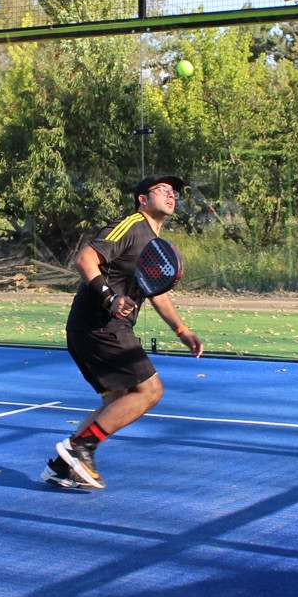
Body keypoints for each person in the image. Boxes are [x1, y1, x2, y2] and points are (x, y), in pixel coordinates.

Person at [44, 175, 204, 490]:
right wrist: (110, 297)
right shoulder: (131, 225)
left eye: (173, 191)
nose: (171, 195)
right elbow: (85, 258)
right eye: (162, 190)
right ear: (142, 199)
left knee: (117, 401)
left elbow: (156, 291)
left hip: (100, 327)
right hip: (99, 325)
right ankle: (80, 448)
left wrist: (181, 330)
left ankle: (61, 467)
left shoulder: (154, 242)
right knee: (150, 391)